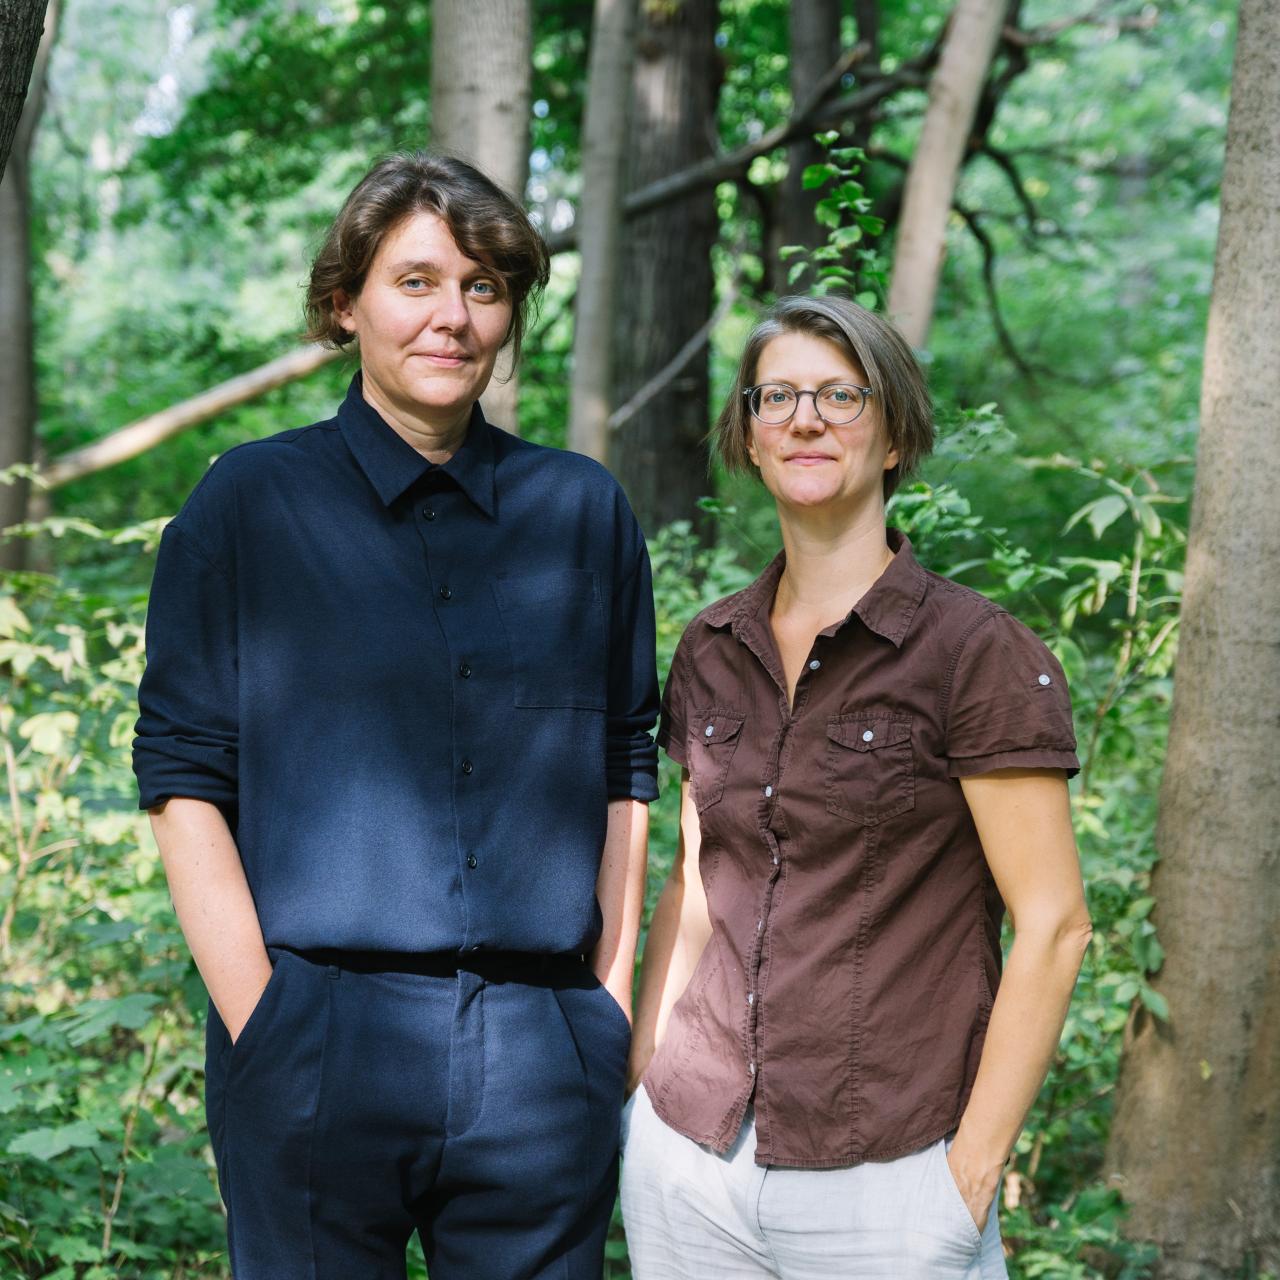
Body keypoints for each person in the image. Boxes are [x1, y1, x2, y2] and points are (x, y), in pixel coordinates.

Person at [132, 151, 658, 1280]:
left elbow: (625, 767)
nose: (451, 317)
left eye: (481, 286)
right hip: (312, 1029)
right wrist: (261, 1022)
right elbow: (181, 779)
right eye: (415, 281)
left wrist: (602, 1014)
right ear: (345, 302)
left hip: (541, 1044)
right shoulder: (248, 504)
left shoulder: (581, 512)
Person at [620, 294, 1092, 1279]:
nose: (804, 418)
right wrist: (641, 1084)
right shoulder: (710, 645)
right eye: (778, 394)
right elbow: (696, 885)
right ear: (747, 435)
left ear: (891, 434)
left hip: (888, 1172)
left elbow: (1052, 922)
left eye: (839, 395)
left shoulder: (975, 653)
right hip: (687, 1154)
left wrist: (968, 1171)